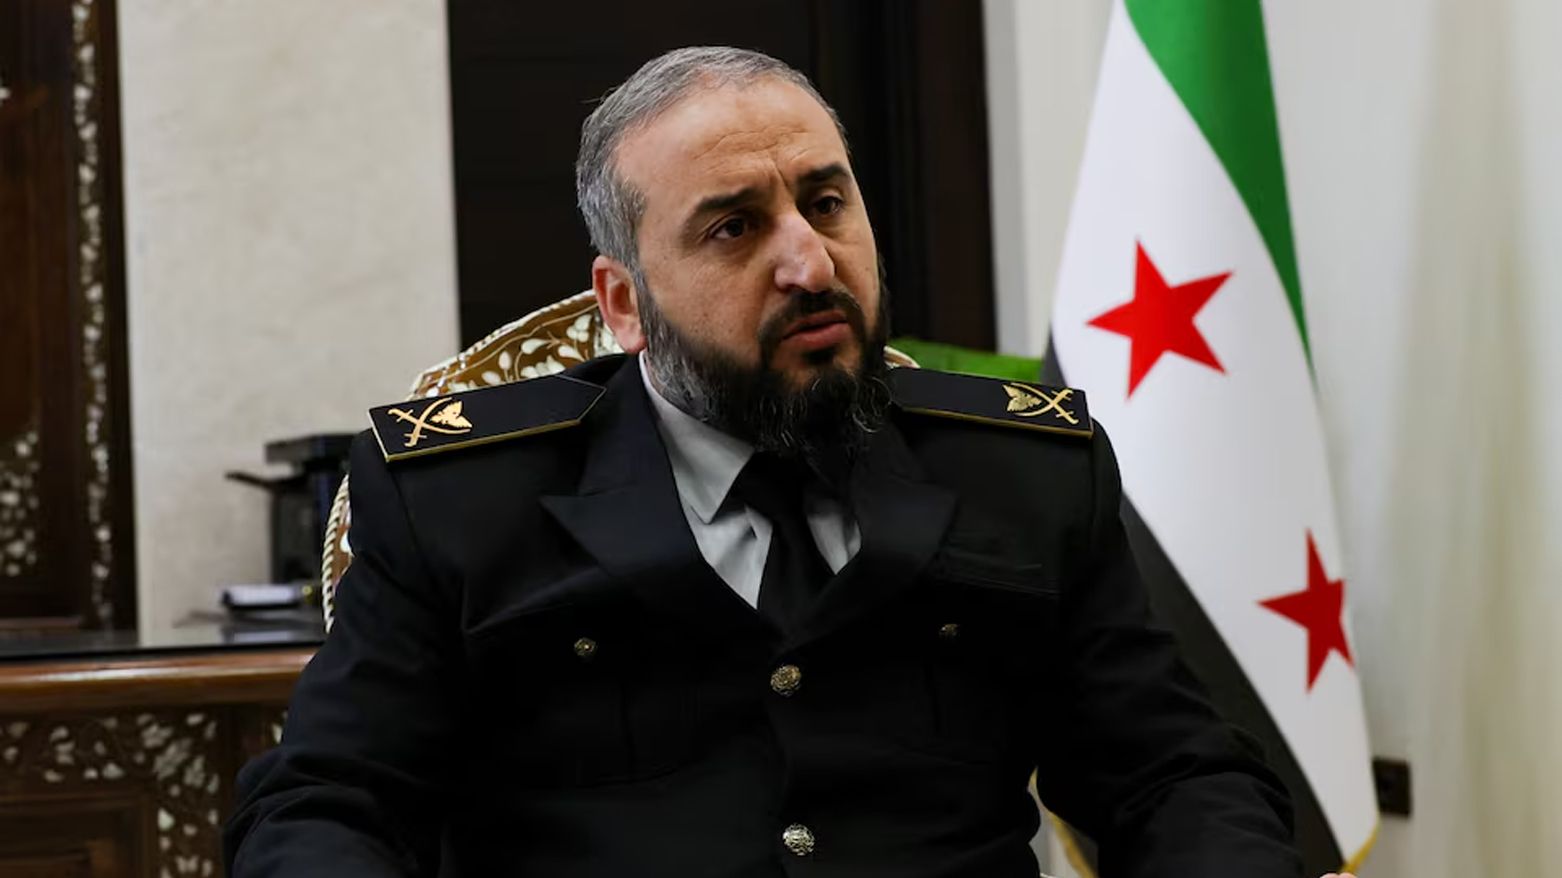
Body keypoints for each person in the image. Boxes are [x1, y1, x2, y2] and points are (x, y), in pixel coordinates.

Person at [223, 46, 1357, 878]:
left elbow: (1170, 775)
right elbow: (328, 804)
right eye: (734, 226)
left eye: (825, 202)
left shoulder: (1025, 474)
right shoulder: (465, 501)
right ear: (624, 302)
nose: (810, 263)